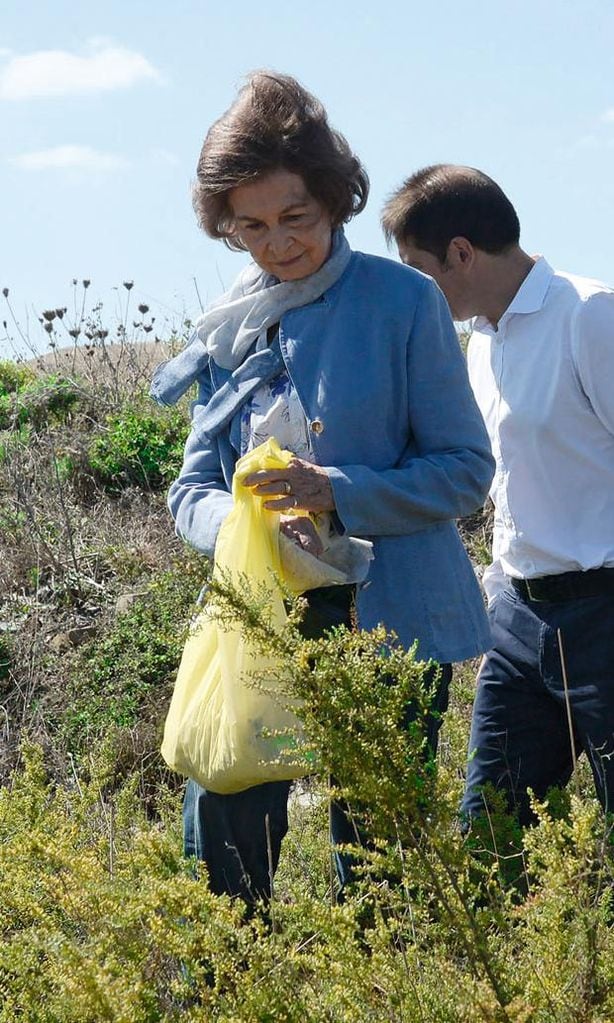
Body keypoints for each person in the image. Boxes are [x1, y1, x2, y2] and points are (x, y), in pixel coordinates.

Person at [151, 81, 494, 904]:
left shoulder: (404, 301)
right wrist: (244, 522)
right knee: (224, 838)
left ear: (334, 198)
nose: (277, 245)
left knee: (380, 866)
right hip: (261, 615)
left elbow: (463, 469)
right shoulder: (232, 327)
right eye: (252, 227)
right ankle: (236, 988)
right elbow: (191, 486)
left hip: (393, 619)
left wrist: (332, 491)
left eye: (294, 217)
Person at [382, 164, 614, 827]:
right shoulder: (480, 341)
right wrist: (496, 590)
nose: (413, 287)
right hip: (518, 618)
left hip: (604, 612)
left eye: (418, 268)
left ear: (461, 252)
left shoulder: (590, 315)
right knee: (488, 835)